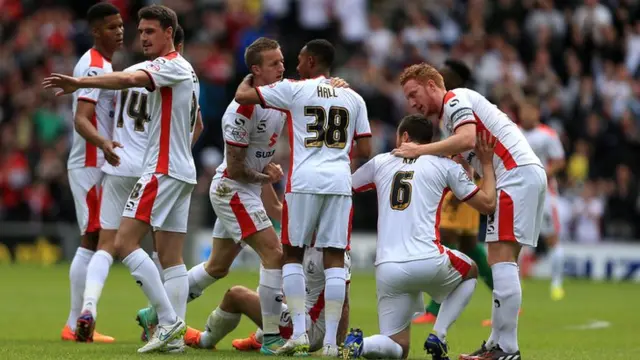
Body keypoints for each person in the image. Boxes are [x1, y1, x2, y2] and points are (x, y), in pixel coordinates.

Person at [44, 5, 200, 353]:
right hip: (181, 169)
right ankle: (172, 337)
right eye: (140, 31)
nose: (141, 37)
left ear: (169, 33)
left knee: (123, 242)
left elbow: (129, 80)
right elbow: (197, 123)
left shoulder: (167, 66)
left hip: (161, 169)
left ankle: (168, 322)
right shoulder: (187, 72)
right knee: (171, 257)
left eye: (150, 32)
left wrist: (79, 82)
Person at [135, 36, 288, 355]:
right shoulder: (241, 111)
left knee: (217, 266)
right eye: (275, 63)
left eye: (283, 61)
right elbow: (235, 169)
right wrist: (268, 177)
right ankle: (272, 336)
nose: (282, 67)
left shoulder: (280, 96)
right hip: (232, 188)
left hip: (246, 187)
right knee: (273, 254)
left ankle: (154, 314)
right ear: (256, 70)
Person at [393, 63, 546, 360]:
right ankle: (496, 343)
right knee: (502, 261)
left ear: (432, 85)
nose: (412, 103)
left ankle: (507, 348)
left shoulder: (455, 99)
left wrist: (418, 150)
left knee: (500, 260)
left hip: (514, 175)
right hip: (517, 176)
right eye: (408, 98)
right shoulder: (447, 123)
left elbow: (466, 141)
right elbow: (460, 160)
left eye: (414, 94)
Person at [234, 39, 372, 356]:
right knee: (335, 259)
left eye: (298, 58)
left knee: (292, 254)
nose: (293, 65)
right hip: (339, 183)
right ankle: (329, 346)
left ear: (311, 60)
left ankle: (297, 334)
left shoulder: (294, 89)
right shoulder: (354, 97)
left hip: (304, 181)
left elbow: (243, 95)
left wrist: (249, 75)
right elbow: (364, 151)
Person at [343, 114, 497, 360]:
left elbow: (345, 186)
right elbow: (488, 204)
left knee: (394, 345)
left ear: (404, 136)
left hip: (388, 268)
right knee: (471, 271)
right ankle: (439, 334)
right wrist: (486, 165)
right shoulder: (444, 165)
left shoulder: (381, 162)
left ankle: (362, 345)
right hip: (428, 259)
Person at [413, 59, 494, 326]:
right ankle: (500, 295)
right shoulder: (452, 111)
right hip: (470, 180)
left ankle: (436, 307)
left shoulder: (457, 104)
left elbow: (463, 147)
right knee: (469, 244)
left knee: (448, 237)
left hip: (470, 182)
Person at [60, 2, 123, 344]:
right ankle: (74, 323)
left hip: (95, 161)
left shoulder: (104, 65)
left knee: (94, 237)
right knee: (93, 237)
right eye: (112, 26)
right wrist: (105, 144)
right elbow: (81, 119)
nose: (120, 31)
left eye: (120, 25)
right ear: (96, 31)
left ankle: (76, 323)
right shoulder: (95, 66)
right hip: (89, 162)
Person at [184, 248, 351, 354]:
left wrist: (337, 347)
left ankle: (204, 341)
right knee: (273, 286)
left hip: (308, 330)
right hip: (302, 322)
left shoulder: (333, 254)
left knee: (236, 295)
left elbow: (343, 302)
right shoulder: (312, 242)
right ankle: (260, 338)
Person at [519, 98, 566, 300]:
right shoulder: (514, 132)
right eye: (523, 111)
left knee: (551, 238)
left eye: (530, 111)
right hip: (520, 191)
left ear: (537, 112)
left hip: (545, 192)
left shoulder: (548, 135)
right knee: (516, 237)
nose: (526, 115)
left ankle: (556, 284)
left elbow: (560, 161)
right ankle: (516, 282)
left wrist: (542, 173)